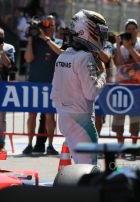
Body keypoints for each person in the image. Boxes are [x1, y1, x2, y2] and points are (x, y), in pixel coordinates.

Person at [51, 9, 108, 164]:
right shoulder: (86, 57)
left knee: (75, 168)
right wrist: (103, 74)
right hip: (82, 119)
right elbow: (92, 93)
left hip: (64, 117)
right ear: (88, 31)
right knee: (88, 171)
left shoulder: (63, 55)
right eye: (99, 32)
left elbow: (54, 94)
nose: (102, 37)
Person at [22, 15, 63, 155]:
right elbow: (28, 58)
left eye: (51, 25)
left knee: (50, 116)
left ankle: (50, 145)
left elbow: (61, 53)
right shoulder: (34, 42)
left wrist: (46, 39)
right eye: (47, 25)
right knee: (32, 115)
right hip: (34, 83)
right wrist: (30, 39)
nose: (49, 27)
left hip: (51, 84)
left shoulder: (58, 41)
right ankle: (29, 144)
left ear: (54, 27)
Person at [113, 18, 140, 143]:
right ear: (125, 31)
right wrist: (118, 45)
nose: (131, 31)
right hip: (121, 85)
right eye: (129, 29)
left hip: (136, 86)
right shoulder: (119, 46)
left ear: (137, 30)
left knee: (135, 118)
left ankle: (133, 145)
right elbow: (118, 64)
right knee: (119, 117)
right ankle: (120, 145)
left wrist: (130, 48)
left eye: (133, 29)